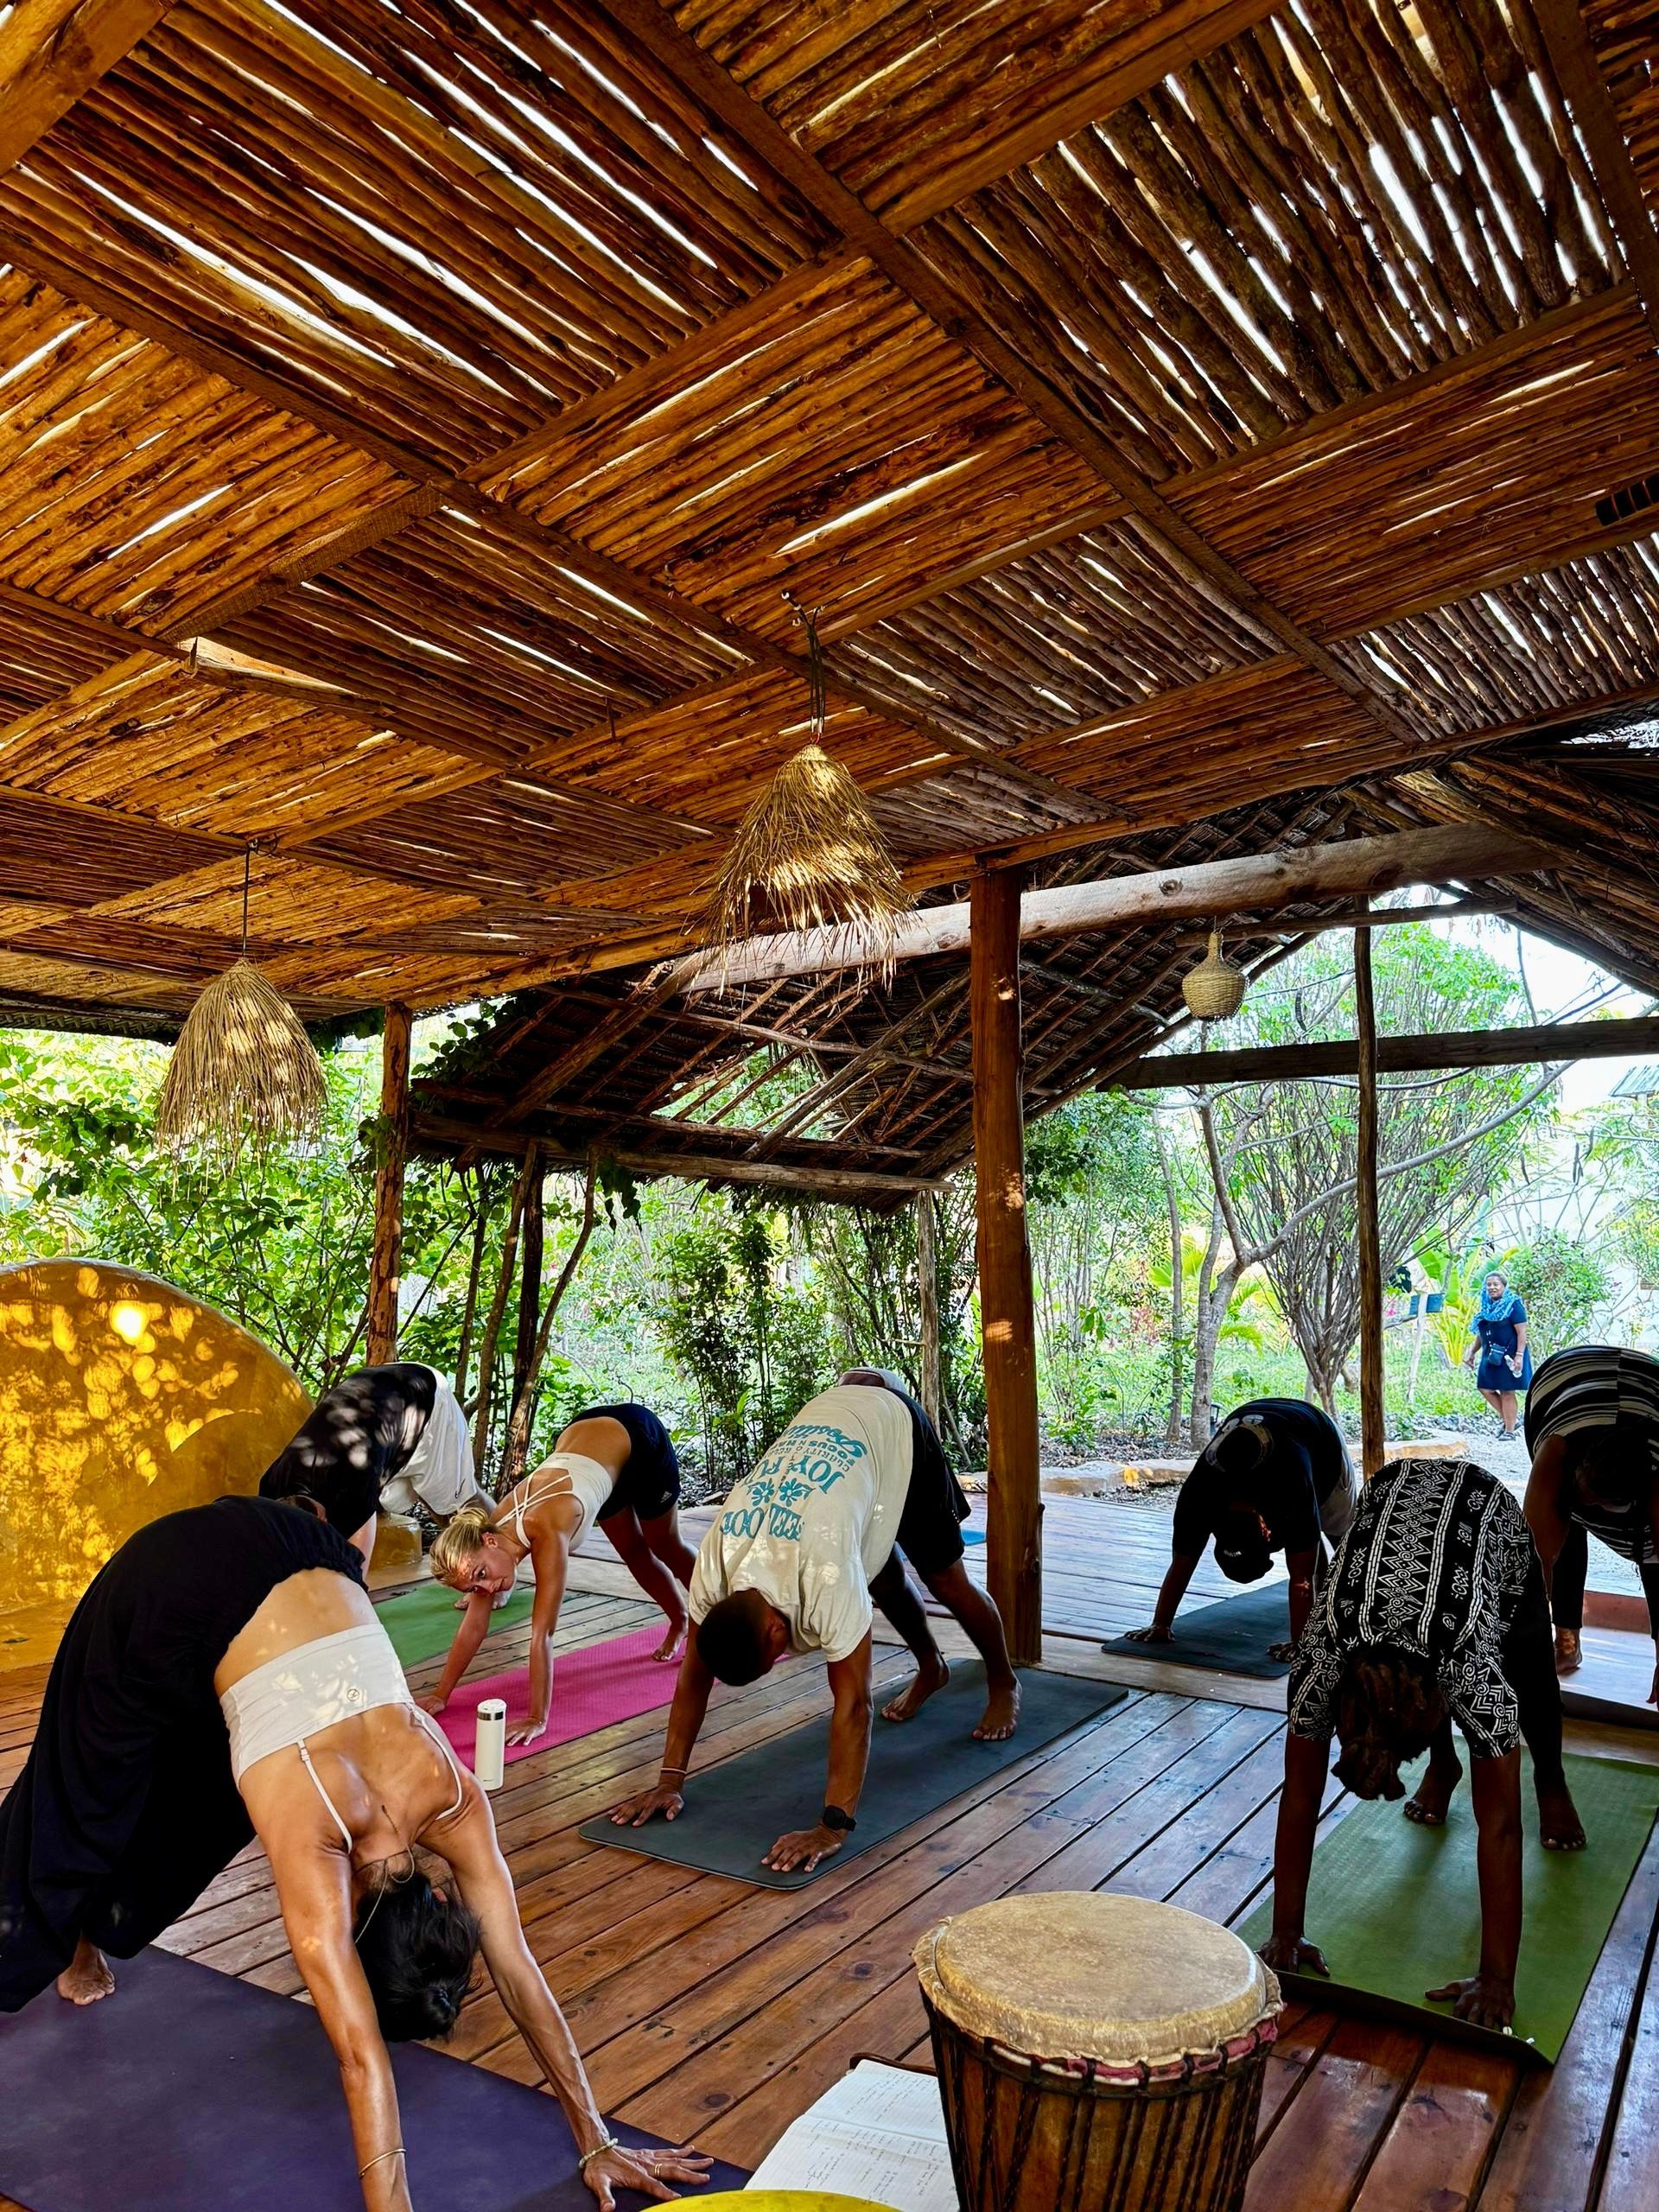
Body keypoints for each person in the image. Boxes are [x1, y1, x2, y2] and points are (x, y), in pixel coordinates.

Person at [0, 1493, 708, 2211]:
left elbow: (517, 1970)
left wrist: (598, 2139)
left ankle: (99, 1929)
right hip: (170, 1577)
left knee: (202, 1816)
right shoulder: (317, 1836)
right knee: (83, 1791)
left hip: (304, 1543)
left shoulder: (449, 1792)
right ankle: (63, 1945)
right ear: (355, 1942)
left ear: (434, 1900)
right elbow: (359, 2058)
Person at [607, 1369, 1020, 1876]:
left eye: (771, 1661)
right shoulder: (714, 1571)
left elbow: (852, 1706)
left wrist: (832, 1824)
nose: (781, 1661)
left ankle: (1004, 1681)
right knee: (882, 1575)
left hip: (892, 1429)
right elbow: (694, 1674)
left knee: (944, 1580)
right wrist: (670, 1779)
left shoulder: (825, 1574)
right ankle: (932, 1666)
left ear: (775, 1633)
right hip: (835, 1454)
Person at [1260, 1456, 1583, 2035]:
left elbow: (1502, 1827)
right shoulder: (1321, 1655)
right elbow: (1301, 1792)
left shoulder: (1468, 1661)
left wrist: (1497, 1980)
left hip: (1484, 1511)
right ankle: (1445, 1767)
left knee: (1533, 1682)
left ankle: (1554, 1782)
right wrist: (1285, 1934)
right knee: (1418, 1692)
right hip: (1392, 1491)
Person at [422, 1405, 696, 1745]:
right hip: (592, 1451)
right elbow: (474, 1626)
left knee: (664, 1545)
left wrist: (537, 1717)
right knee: (633, 1554)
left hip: (635, 1437)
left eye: (481, 1575)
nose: (487, 1588)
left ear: (488, 1539)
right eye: (475, 1586)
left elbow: (543, 1635)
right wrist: (440, 1694)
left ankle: (711, 1611)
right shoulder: (488, 1550)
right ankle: (679, 1619)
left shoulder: (546, 1530)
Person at [1124, 1397, 1358, 1661]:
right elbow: (1182, 1561)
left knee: (1346, 1541)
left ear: (1268, 1533)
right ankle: (1321, 1588)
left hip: (1319, 1439)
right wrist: (1161, 1624)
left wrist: (1299, 1643)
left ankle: (1357, 1599)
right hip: (1270, 1439)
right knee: (1305, 1538)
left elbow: (1300, 1580)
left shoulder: (1292, 1486)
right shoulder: (1199, 1499)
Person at [1522, 1344, 1659, 1701]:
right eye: (1586, 1496)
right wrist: (1526, 1658)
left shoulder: (1656, 1477)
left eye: (1599, 1502)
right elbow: (1535, 1565)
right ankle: (1566, 1640)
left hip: (1649, 1387)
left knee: (1655, 1561)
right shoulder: (1554, 1455)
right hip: (1563, 1383)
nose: (1590, 1507)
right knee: (1557, 1529)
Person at [258, 1363, 485, 1567]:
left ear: (323, 1518)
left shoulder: (353, 1484)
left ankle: (496, 1556)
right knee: (425, 1489)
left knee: (456, 1504)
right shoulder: (270, 1488)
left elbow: (357, 1579)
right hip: (376, 1388)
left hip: (423, 1394)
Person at [1464, 1271, 1531, 1436]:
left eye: (1496, 1284)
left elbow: (1522, 1332)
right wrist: (1472, 1352)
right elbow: (1481, 1333)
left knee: (1507, 1391)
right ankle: (1510, 1420)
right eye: (1489, 1285)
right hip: (1491, 1354)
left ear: (1503, 1286)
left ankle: (1509, 1430)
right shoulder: (1485, 1306)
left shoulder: (1513, 1305)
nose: (1492, 1288)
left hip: (1509, 1354)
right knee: (1485, 1388)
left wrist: (1519, 1356)